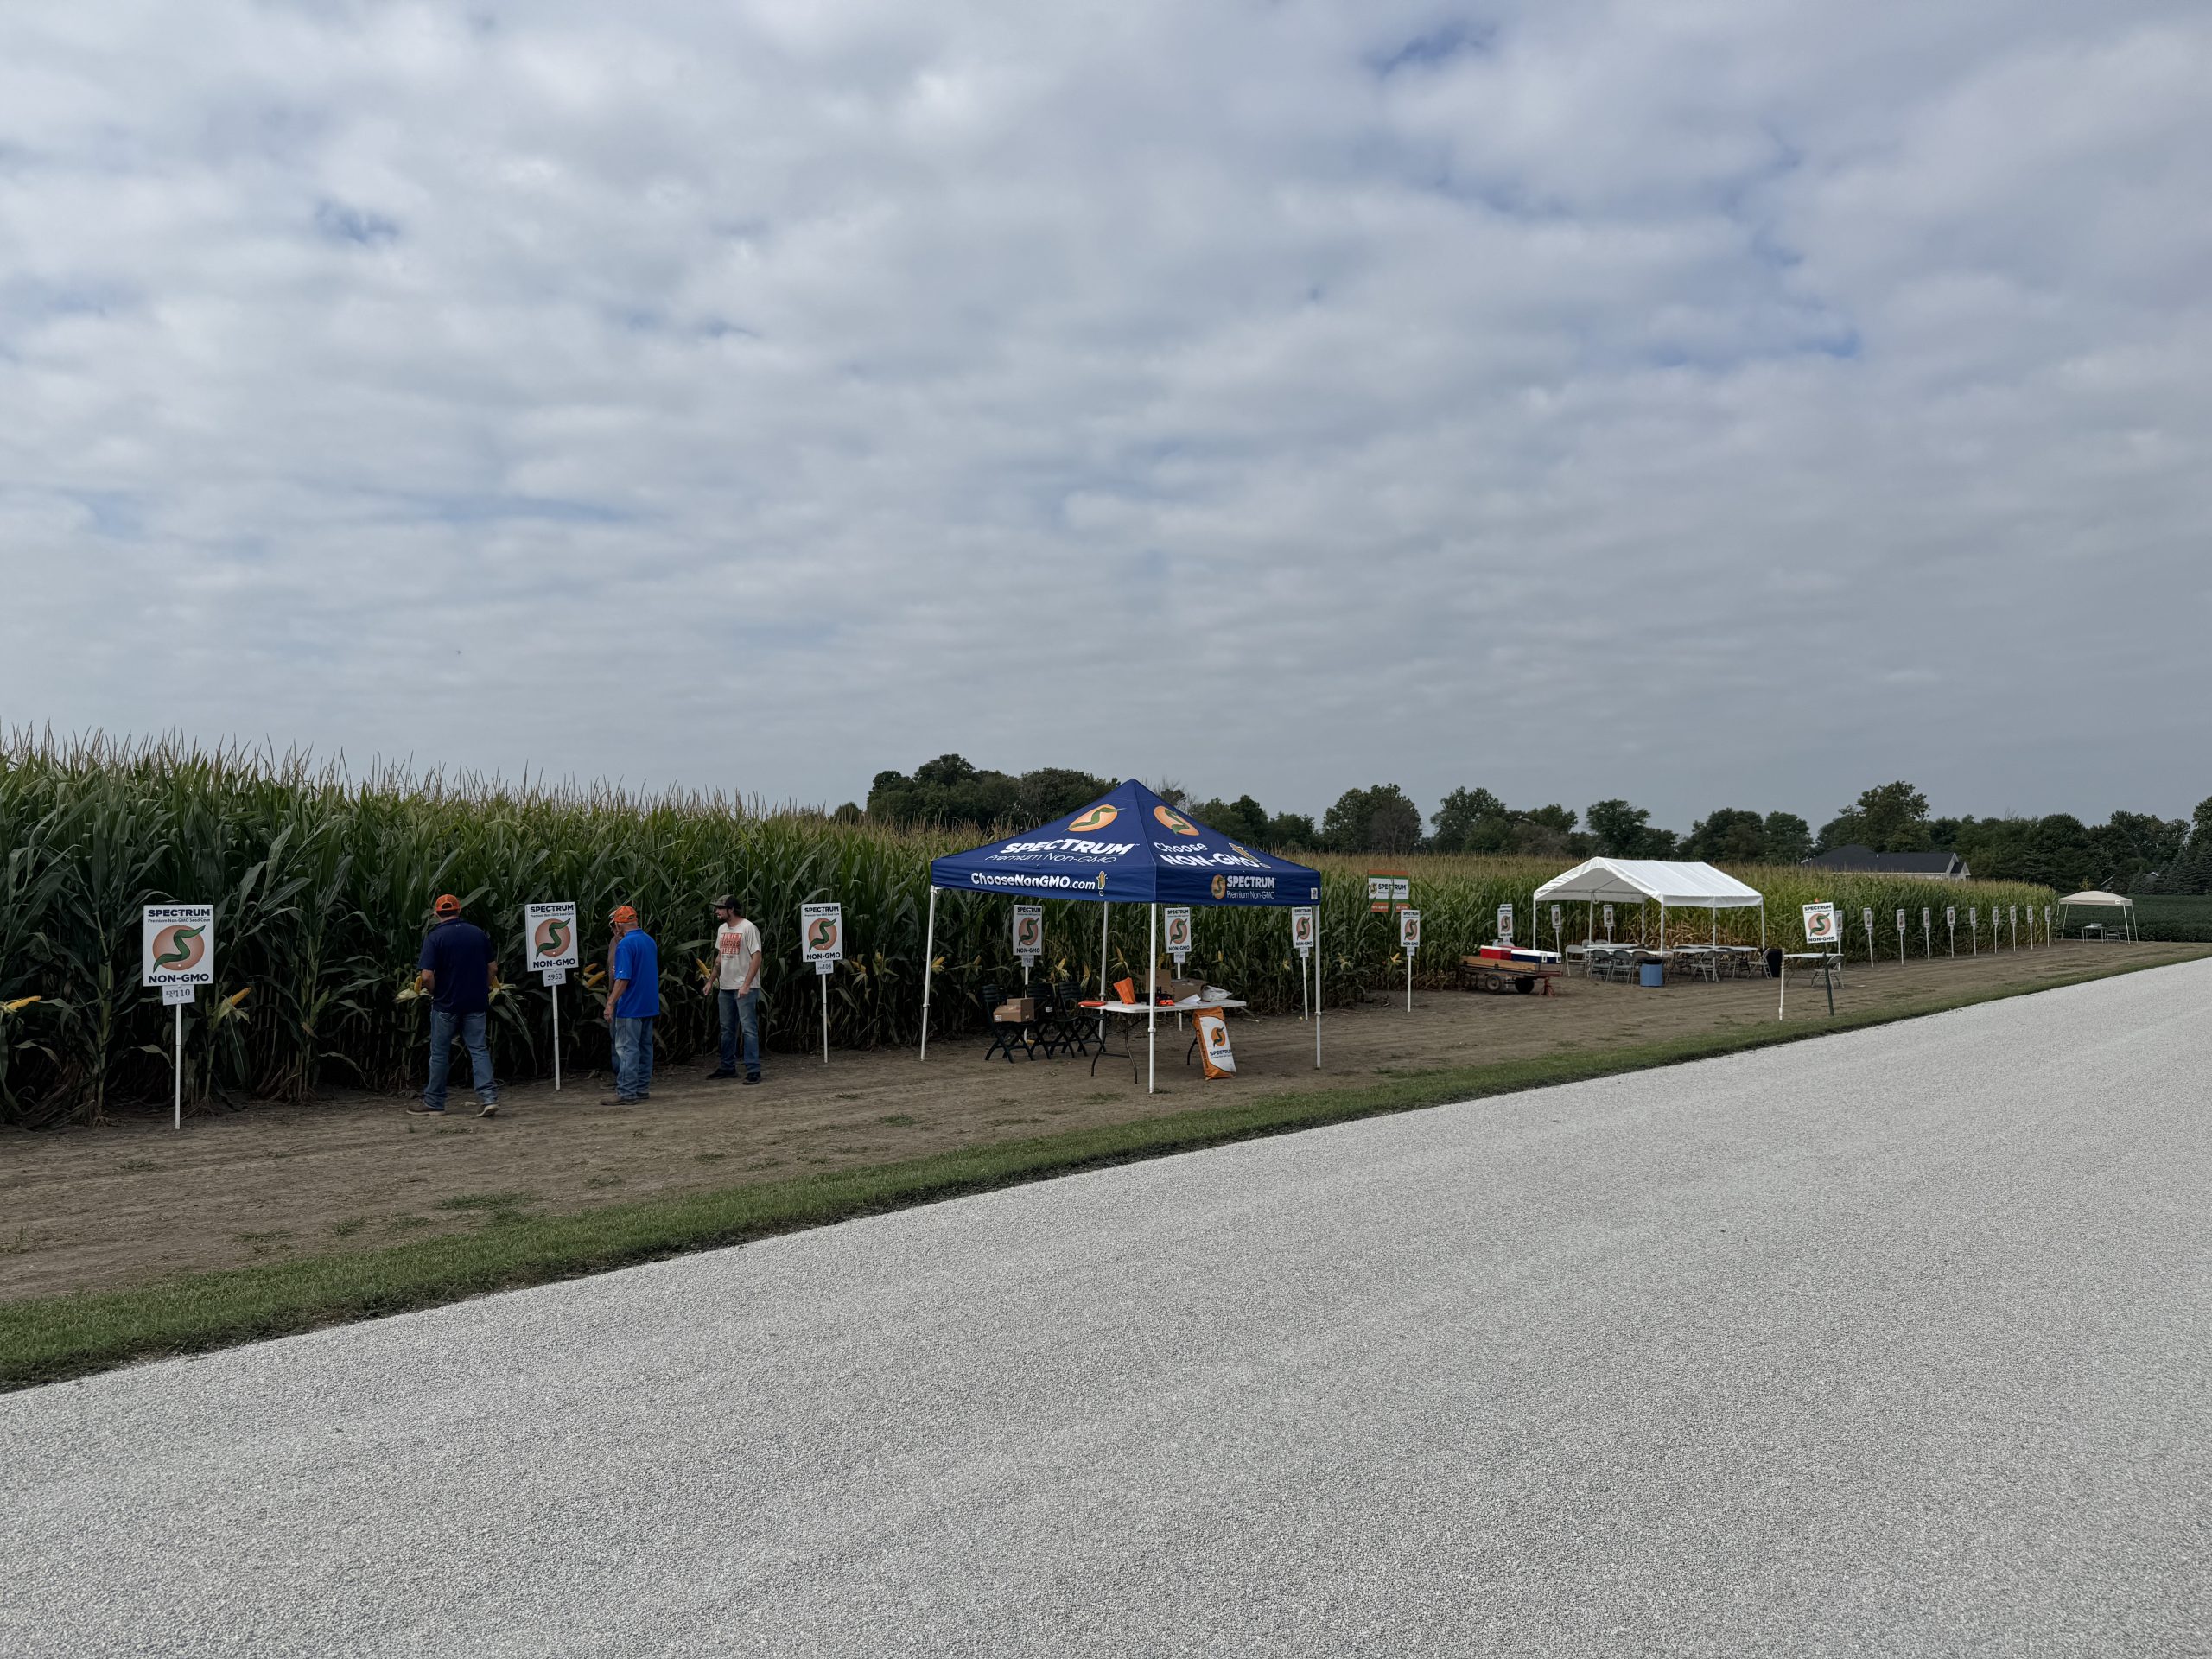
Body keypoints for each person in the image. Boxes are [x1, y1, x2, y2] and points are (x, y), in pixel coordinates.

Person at [410, 893, 499, 1118]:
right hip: (476, 1003)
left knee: (439, 1053)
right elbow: (493, 969)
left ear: (437, 914)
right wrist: (485, 988)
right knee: (478, 1049)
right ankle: (488, 1099)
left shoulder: (435, 937)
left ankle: (435, 1103)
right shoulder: (478, 934)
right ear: (459, 910)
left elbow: (427, 975)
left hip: (446, 1004)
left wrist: (433, 993)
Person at [602, 905, 659, 1103]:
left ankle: (626, 1092)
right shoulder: (649, 941)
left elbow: (623, 978)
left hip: (631, 1006)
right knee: (645, 1048)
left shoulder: (625, 945)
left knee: (627, 1049)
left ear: (619, 924)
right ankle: (642, 1088)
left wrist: (610, 1003)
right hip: (649, 1003)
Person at [705, 894, 763, 1084]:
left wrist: (746, 984)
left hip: (744, 988)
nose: (717, 912)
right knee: (727, 1029)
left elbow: (757, 957)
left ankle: (753, 1069)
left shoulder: (748, 928)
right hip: (726, 986)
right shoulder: (722, 929)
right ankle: (727, 1067)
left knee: (748, 1029)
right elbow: (720, 958)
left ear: (731, 909)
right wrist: (711, 980)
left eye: (720, 908)